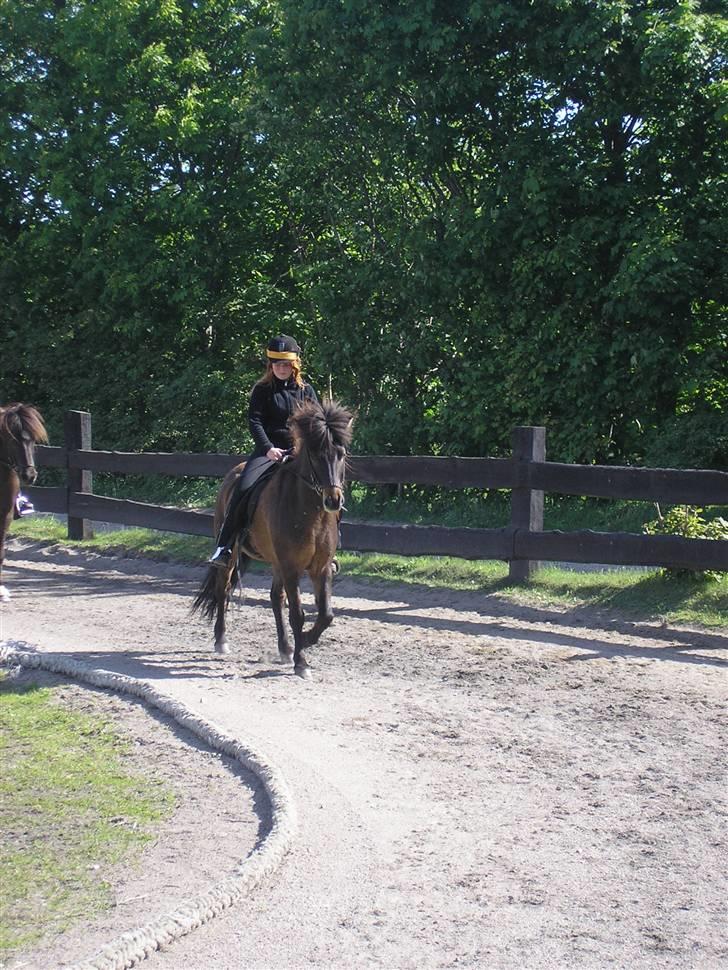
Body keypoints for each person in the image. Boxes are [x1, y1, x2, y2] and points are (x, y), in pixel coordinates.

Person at [209, 334, 319, 567]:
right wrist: (268, 449)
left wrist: (302, 449)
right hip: (268, 452)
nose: (282, 368)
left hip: (299, 454)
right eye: (277, 364)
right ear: (271, 365)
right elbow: (255, 422)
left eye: (286, 364)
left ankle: (328, 550)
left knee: (328, 488)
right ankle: (224, 546)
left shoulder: (307, 391)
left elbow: (316, 423)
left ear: (294, 365)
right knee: (243, 486)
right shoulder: (262, 390)